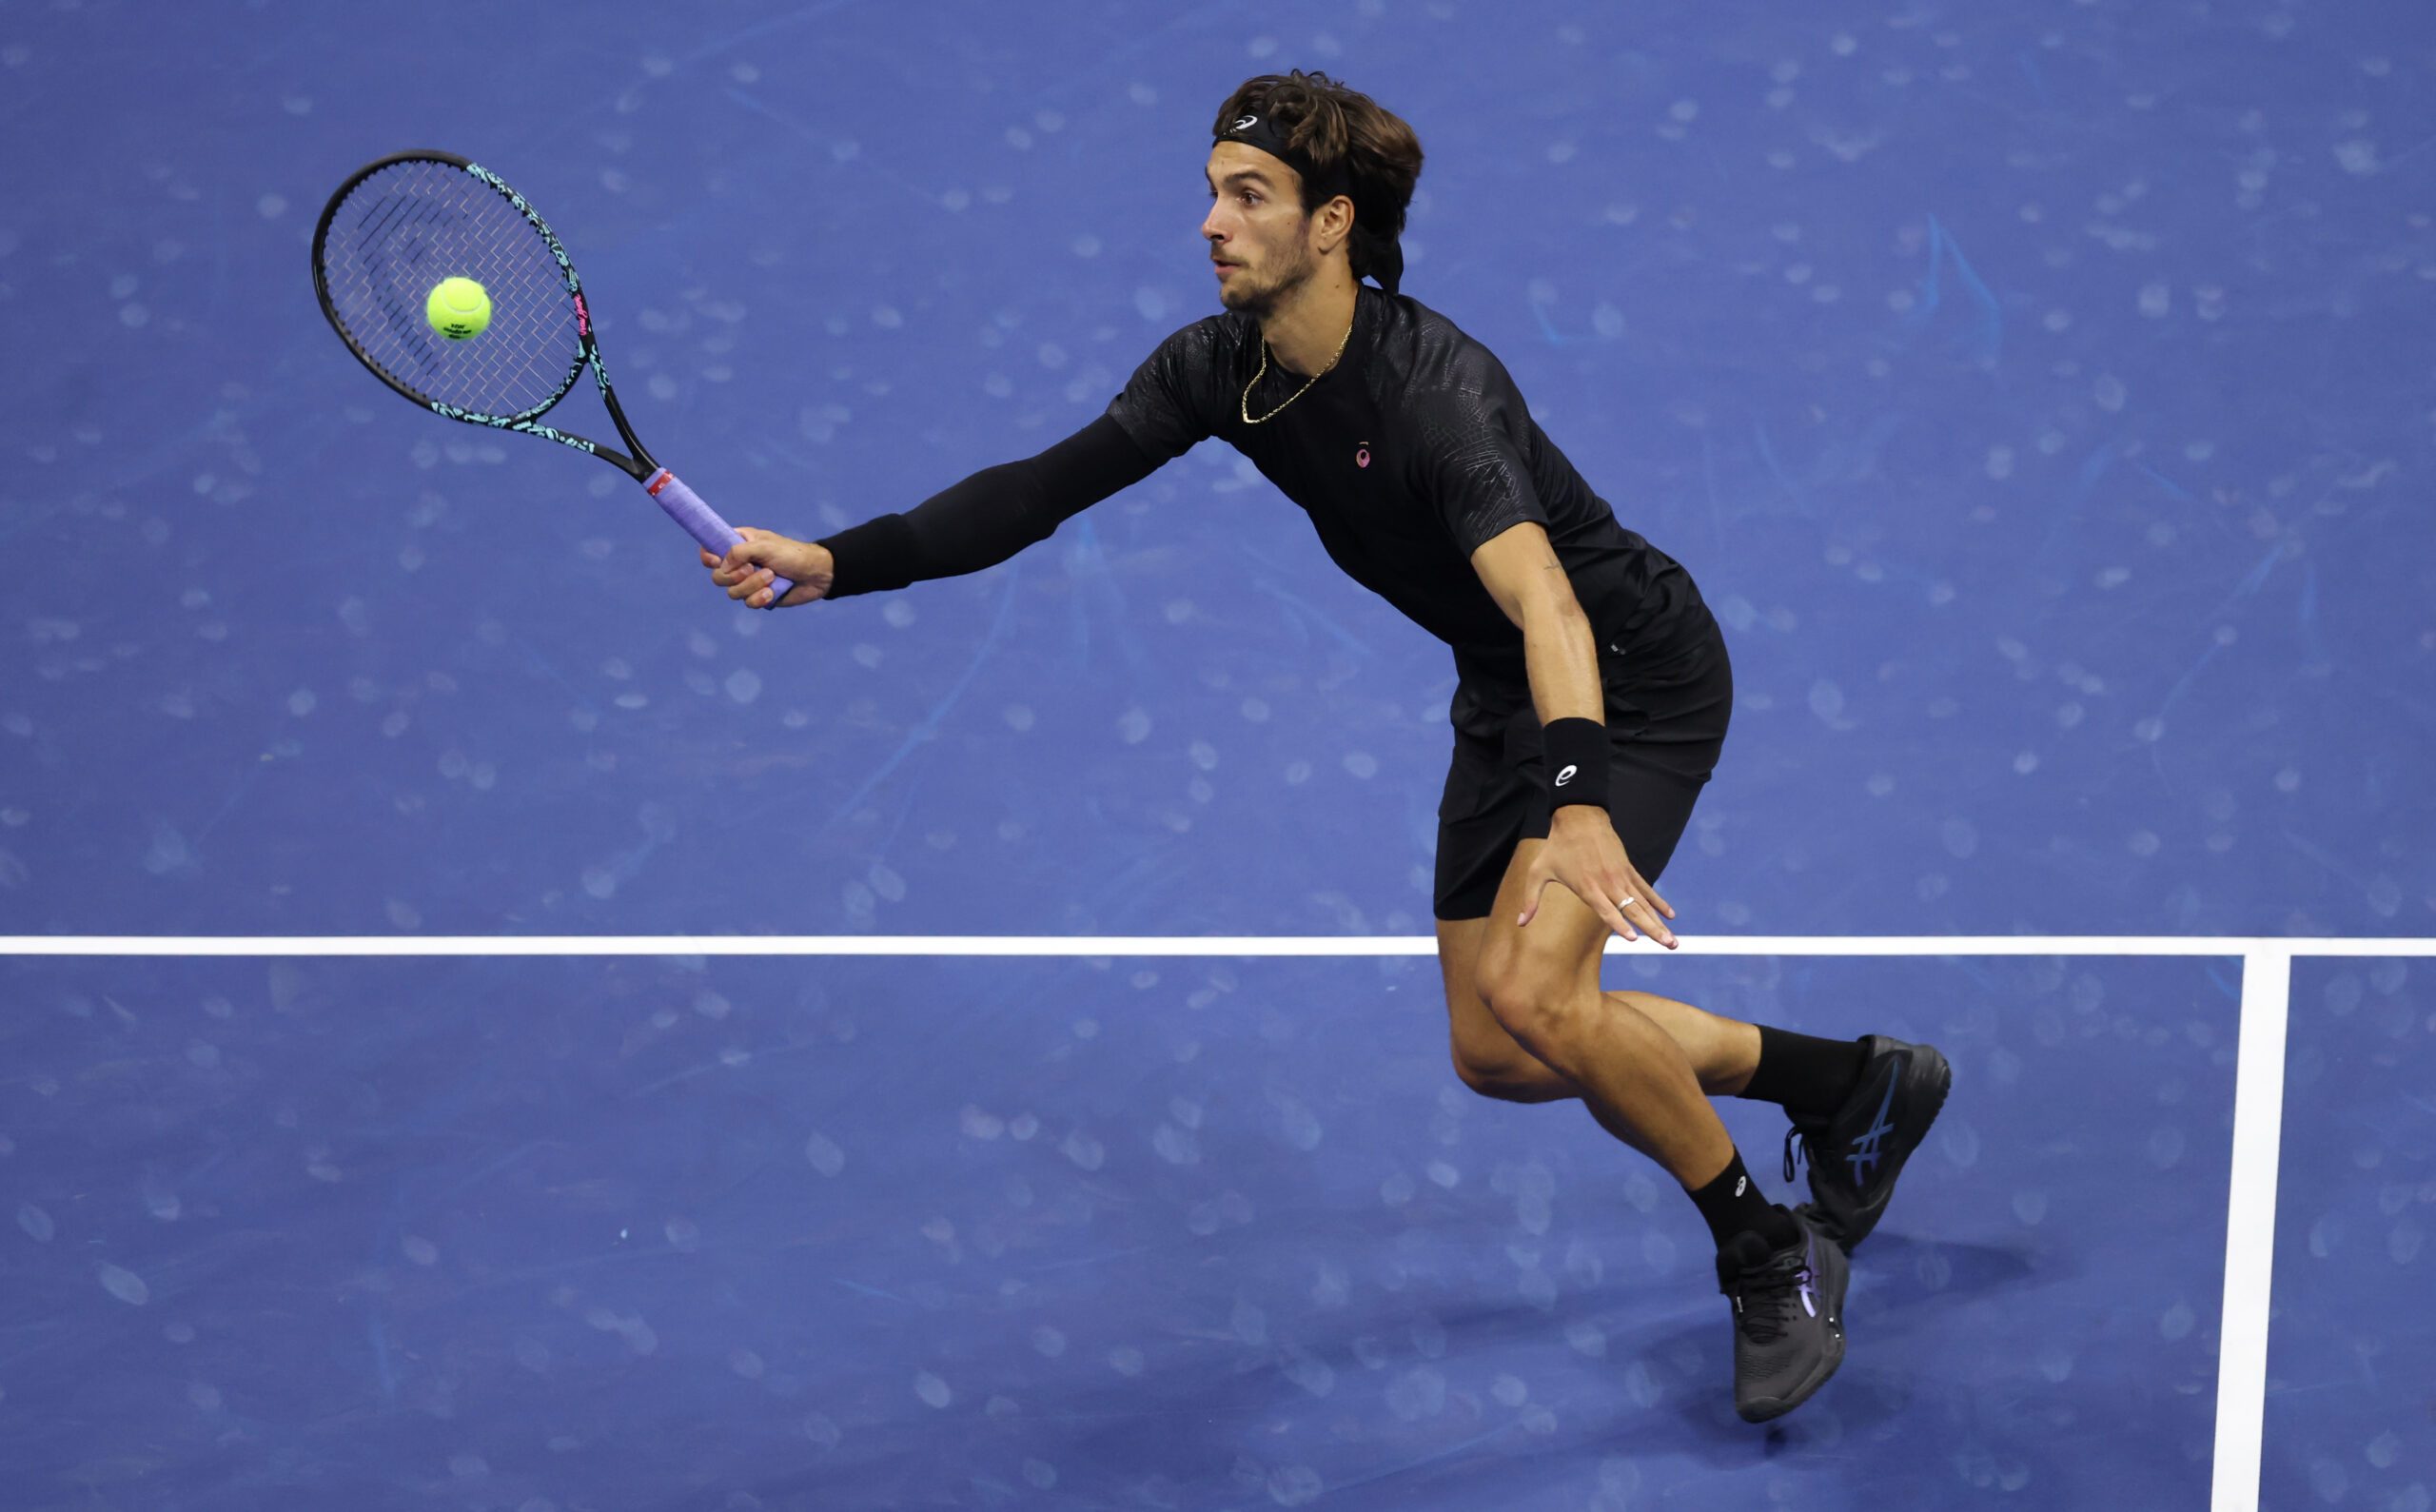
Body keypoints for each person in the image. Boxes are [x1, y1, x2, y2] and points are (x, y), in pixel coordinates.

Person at [701, 70, 1949, 1424]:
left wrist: (1583, 797)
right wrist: (842, 560)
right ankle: (1852, 1082)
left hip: (1627, 675)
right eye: (1210, 194)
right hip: (1504, 687)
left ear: (1332, 222)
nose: (1212, 225)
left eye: (1249, 197)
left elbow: (1549, 602)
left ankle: (1769, 1256)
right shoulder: (1218, 371)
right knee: (1503, 1048)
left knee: (1544, 993)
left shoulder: (1439, 397)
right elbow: (1038, 490)